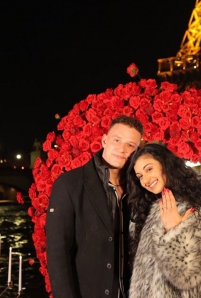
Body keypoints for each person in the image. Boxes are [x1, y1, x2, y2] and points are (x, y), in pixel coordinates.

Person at [46, 115, 144, 298]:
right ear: (104, 140)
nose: (122, 149)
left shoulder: (140, 187)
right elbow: (57, 254)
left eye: (131, 145)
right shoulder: (70, 184)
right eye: (117, 140)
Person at [126, 143, 201, 298]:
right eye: (139, 176)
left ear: (165, 165)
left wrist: (173, 233)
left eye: (149, 169)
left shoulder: (197, 207)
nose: (145, 179)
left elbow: (189, 276)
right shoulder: (151, 209)